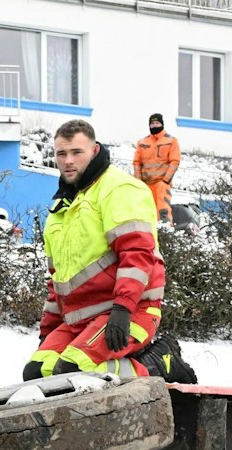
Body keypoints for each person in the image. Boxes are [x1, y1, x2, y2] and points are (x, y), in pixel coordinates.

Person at [25, 118, 167, 384]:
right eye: (61, 154)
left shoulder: (120, 189)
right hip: (81, 319)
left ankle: (156, 366)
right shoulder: (62, 207)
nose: (68, 161)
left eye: (77, 152)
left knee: (70, 373)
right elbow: (59, 279)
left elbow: (136, 254)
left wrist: (123, 309)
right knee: (36, 372)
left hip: (131, 311)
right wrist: (49, 331)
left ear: (94, 151)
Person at [133, 113, 182, 224]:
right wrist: (138, 181)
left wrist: (166, 180)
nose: (155, 126)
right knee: (146, 210)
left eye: (157, 123)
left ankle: (165, 232)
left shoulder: (171, 141)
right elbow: (137, 162)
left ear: (162, 124)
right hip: (146, 184)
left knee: (163, 210)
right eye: (152, 124)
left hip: (161, 183)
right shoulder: (142, 142)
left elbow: (175, 161)